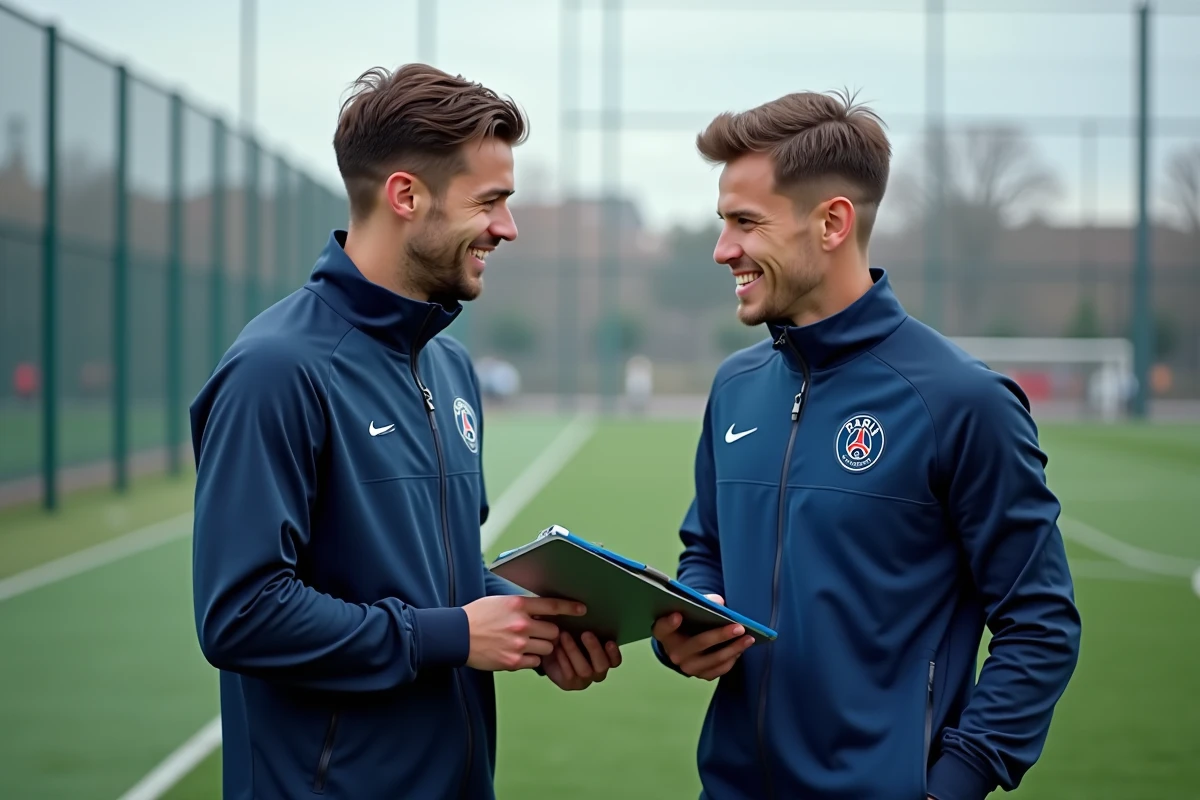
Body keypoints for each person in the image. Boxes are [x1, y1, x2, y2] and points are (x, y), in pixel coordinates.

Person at [189, 64, 621, 800]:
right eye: (491, 202)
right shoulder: (277, 369)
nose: (507, 228)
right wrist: (452, 635)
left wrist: (537, 624)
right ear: (405, 195)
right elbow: (241, 614)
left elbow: (434, 583)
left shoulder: (449, 365)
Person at [649, 90, 1082, 800]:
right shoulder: (736, 386)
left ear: (832, 222)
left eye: (745, 222)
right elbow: (706, 552)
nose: (724, 249)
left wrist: (954, 784)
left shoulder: (962, 402)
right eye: (722, 222)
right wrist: (689, 624)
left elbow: (1040, 624)